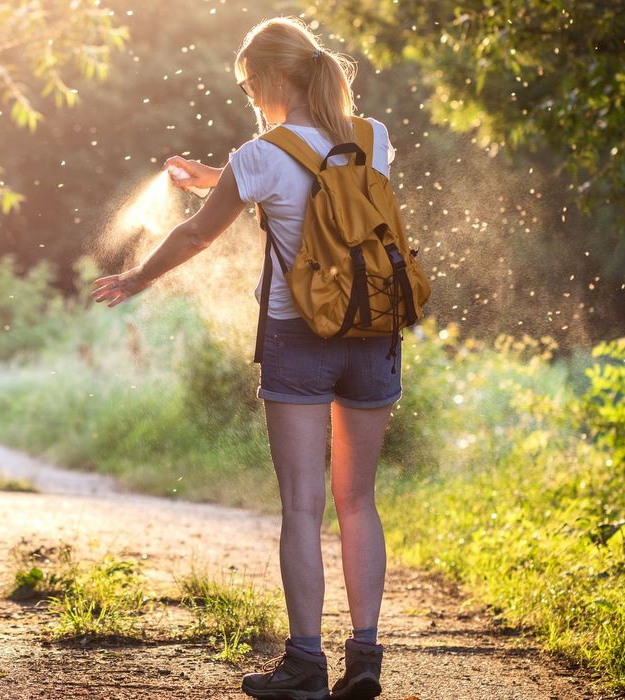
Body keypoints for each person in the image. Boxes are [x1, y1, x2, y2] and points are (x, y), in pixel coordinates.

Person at [91, 16, 397, 700]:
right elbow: (318, 178)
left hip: (300, 337)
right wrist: (220, 174)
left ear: (266, 81)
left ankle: (305, 666)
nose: (249, 100)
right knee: (358, 501)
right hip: (375, 332)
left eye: (248, 86)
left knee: (301, 505)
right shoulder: (374, 139)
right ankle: (367, 656)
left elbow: (200, 234)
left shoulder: (258, 156)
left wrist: (138, 278)